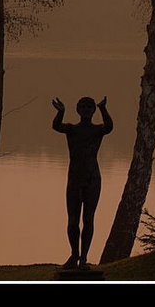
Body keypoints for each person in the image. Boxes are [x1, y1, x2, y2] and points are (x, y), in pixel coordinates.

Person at [52, 95, 113, 270]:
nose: (86, 110)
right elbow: (56, 126)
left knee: (88, 219)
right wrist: (61, 112)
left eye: (89, 107)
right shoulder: (72, 129)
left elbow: (109, 127)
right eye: (83, 107)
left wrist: (103, 108)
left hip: (93, 178)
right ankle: (74, 254)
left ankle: (84, 258)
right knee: (72, 220)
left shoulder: (97, 130)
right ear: (78, 110)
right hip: (75, 179)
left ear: (93, 111)